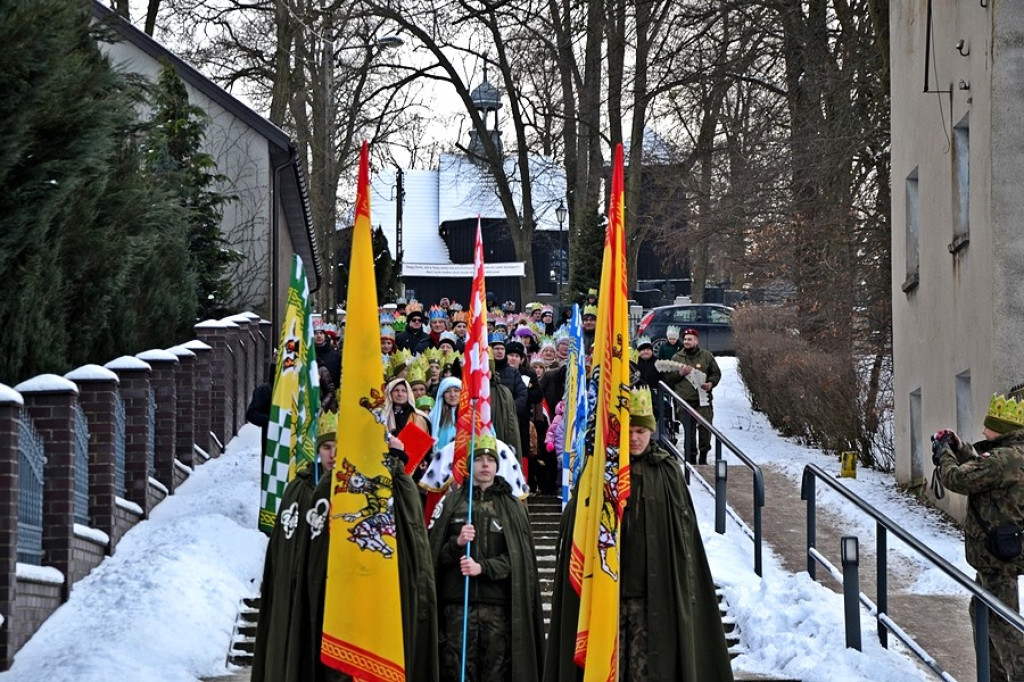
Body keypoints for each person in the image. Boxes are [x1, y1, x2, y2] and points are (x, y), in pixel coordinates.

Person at [543, 387, 734, 682]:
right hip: (607, 595)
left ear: (651, 432)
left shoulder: (667, 472)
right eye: (629, 430)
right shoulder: (598, 473)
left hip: (652, 597)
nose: (634, 438)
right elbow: (575, 528)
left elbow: (683, 539)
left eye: (641, 431)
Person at [429, 433, 545, 682]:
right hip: (458, 607)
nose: (484, 465)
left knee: (496, 672)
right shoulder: (451, 503)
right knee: (457, 671)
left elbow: (518, 559)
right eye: (479, 459)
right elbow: (432, 555)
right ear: (469, 464)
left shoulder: (512, 507)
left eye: (489, 460)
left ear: (497, 465)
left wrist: (484, 568)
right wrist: (457, 543)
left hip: (497, 609)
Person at [933, 392, 1024, 682]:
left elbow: (958, 479)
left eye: (989, 427)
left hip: (997, 557)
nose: (984, 431)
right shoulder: (1011, 455)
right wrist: (959, 447)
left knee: (1005, 627)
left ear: (1001, 430)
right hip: (999, 552)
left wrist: (943, 454)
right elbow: (979, 463)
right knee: (983, 615)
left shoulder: (1001, 460)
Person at [252, 411, 337, 682]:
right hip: (300, 582)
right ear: (318, 450)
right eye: (326, 447)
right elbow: (284, 545)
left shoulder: (353, 490)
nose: (333, 454)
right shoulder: (298, 489)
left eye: (338, 448)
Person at [660, 327, 721, 464]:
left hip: (703, 400)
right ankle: (691, 457)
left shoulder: (706, 356)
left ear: (696, 341)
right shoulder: (677, 357)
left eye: (690, 339)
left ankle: (703, 455)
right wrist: (680, 373)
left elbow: (716, 373)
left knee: (705, 428)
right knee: (689, 431)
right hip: (684, 400)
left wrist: (711, 383)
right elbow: (669, 378)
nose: (686, 342)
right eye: (685, 339)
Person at [314, 320, 342, 389]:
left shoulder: (336, 356)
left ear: (325, 335)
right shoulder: (306, 356)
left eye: (321, 333)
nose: (319, 336)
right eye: (316, 333)